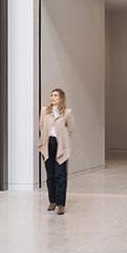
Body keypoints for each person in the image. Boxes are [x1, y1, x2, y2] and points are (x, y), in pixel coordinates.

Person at [37, 86, 73, 215]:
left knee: (61, 175)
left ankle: (61, 204)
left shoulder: (67, 113)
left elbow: (70, 129)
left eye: (56, 95)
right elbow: (41, 126)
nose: (52, 97)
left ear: (61, 98)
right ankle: (52, 201)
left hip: (60, 146)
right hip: (48, 144)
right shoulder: (44, 111)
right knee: (50, 175)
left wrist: (62, 140)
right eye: (51, 95)